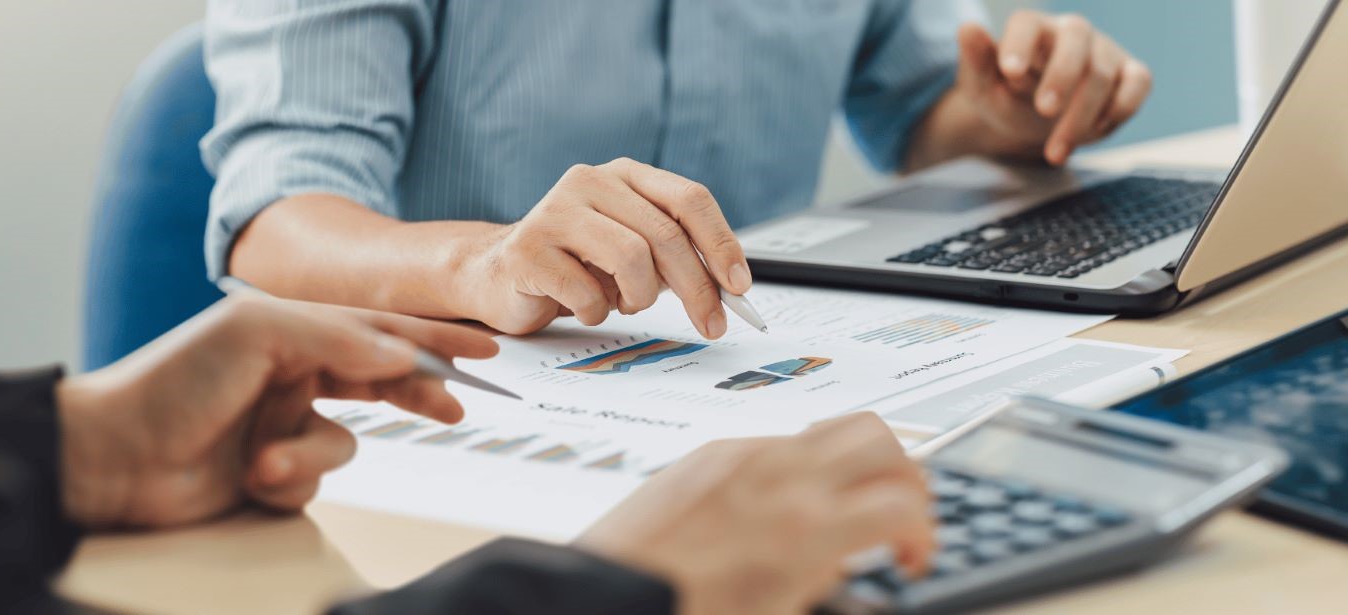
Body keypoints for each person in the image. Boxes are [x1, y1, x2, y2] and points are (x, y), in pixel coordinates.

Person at [0, 2, 933, 612]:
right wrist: (599, 598)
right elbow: (277, 206)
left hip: (738, 402)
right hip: (463, 473)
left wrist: (51, 449)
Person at [202, 1, 1152, 339]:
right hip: (481, 396)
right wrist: (486, 264)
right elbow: (272, 225)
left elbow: (912, 120)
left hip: (770, 365)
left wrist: (999, 116)